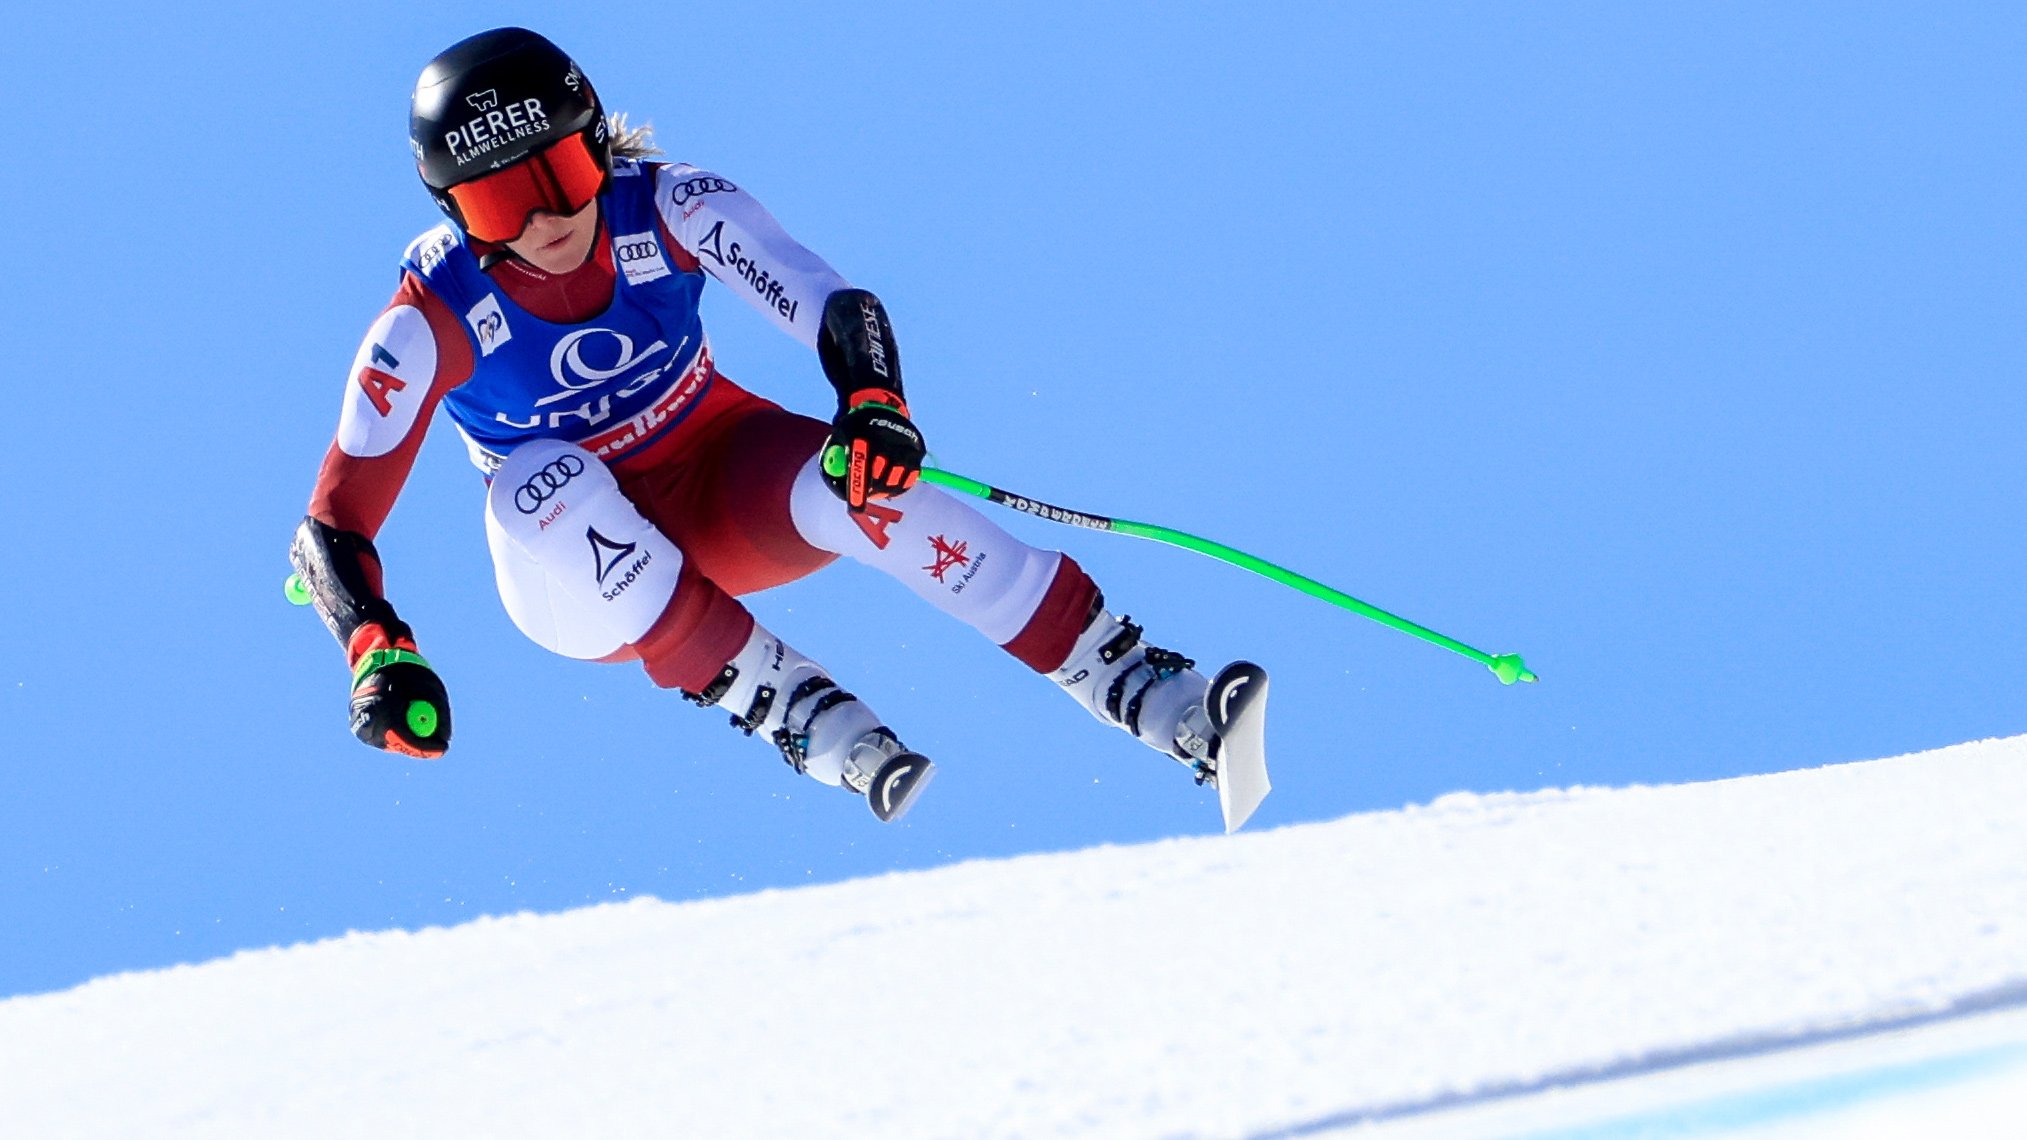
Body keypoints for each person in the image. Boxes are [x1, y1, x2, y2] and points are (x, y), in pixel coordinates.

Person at [290, 27, 1240, 822]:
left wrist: (873, 404)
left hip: (718, 480)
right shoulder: (431, 315)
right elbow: (332, 524)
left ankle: (1150, 693)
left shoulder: (665, 205)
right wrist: (378, 647)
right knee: (540, 478)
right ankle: (788, 704)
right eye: (504, 198)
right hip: (574, 574)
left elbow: (833, 302)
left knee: (863, 484)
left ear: (596, 142)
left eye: (566, 169)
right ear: (456, 211)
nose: (548, 216)